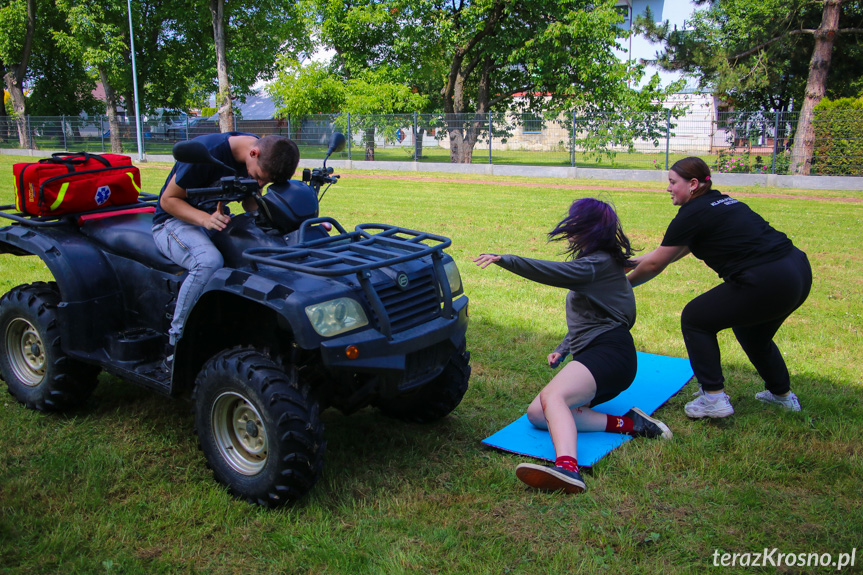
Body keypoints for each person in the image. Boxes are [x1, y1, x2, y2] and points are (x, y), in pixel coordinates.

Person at [473, 198, 672, 495]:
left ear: (588, 228)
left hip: (610, 351)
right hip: (601, 353)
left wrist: (507, 260)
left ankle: (567, 468)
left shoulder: (598, 264)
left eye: (574, 223)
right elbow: (590, 318)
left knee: (554, 396)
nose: (570, 229)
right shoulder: (600, 264)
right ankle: (631, 424)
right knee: (538, 414)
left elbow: (554, 273)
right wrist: (564, 348)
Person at [626, 157, 812, 419]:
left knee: (696, 318)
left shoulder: (691, 213)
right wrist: (628, 263)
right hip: (797, 272)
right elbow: (673, 251)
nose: (668, 188)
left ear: (692, 184)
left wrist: (622, 286)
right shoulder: (721, 202)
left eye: (672, 182)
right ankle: (781, 396)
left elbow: (656, 264)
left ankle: (713, 397)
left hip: (767, 279)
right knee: (753, 334)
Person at [152, 132, 300, 366]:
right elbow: (168, 201)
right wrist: (204, 220)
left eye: (265, 182)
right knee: (208, 261)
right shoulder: (206, 152)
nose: (260, 184)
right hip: (173, 223)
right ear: (254, 153)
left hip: (216, 220)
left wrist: (287, 227)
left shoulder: (263, 155)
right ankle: (176, 341)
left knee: (263, 251)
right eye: (260, 178)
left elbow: (251, 201)